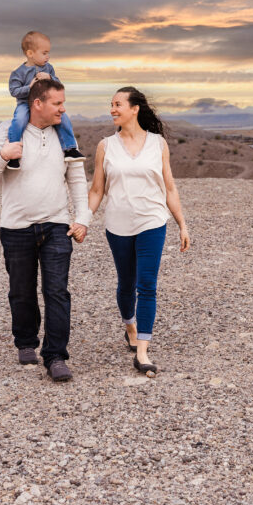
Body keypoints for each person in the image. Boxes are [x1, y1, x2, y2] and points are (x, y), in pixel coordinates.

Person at [0, 78, 90, 382]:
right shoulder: (7, 131)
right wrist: (4, 155)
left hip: (56, 224)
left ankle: (55, 356)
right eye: (57, 103)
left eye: (63, 103)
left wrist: (83, 218)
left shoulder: (64, 135)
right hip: (16, 227)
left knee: (57, 291)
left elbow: (77, 178)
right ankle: (26, 341)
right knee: (21, 291)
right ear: (38, 103)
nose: (63, 109)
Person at [87, 86, 190, 377]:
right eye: (111, 104)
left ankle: (143, 351)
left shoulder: (158, 144)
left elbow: (169, 187)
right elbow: (97, 190)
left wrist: (182, 223)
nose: (112, 109)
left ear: (135, 109)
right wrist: (83, 220)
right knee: (125, 284)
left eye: (118, 104)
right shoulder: (105, 146)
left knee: (147, 286)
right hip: (117, 225)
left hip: (152, 223)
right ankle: (129, 326)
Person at [5, 31, 85, 170]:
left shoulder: (49, 68)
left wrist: (50, 77)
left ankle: (70, 149)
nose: (48, 56)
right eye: (44, 53)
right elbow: (14, 91)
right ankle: (14, 154)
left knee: (63, 119)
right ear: (30, 53)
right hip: (25, 104)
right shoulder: (18, 73)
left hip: (46, 104)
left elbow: (58, 84)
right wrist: (29, 87)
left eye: (48, 53)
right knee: (19, 121)